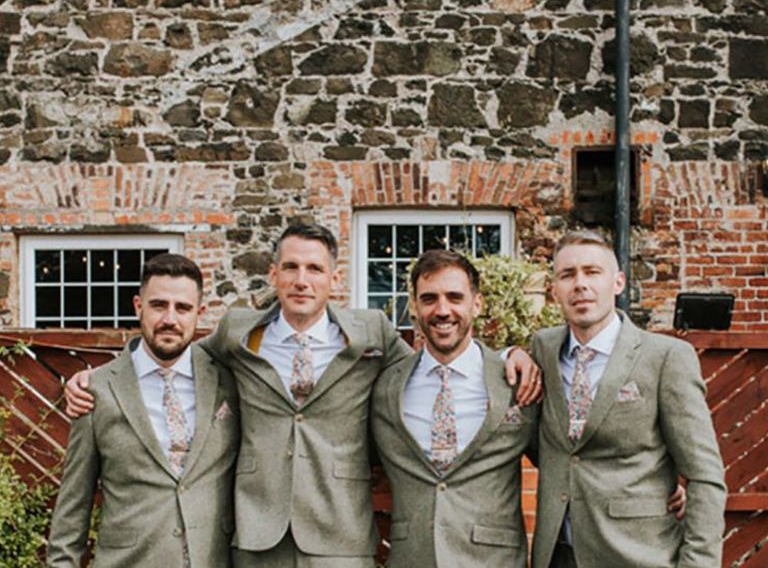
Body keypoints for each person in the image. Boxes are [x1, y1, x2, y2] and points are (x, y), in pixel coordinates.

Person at [64, 224, 542, 568]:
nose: (301, 279)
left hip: (340, 531)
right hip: (256, 531)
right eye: (290, 267)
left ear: (334, 279)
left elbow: (436, 358)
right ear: (273, 275)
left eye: (314, 268)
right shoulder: (236, 332)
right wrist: (97, 377)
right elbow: (173, 353)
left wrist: (509, 355)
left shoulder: (370, 333)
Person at [531, 230, 726, 568]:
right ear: (554, 291)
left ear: (618, 282)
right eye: (567, 275)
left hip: (639, 555)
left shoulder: (665, 358)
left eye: (593, 272)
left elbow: (706, 477)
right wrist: (509, 355)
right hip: (559, 556)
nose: (580, 284)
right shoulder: (542, 350)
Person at [47, 254, 239, 568]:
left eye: (183, 308)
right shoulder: (97, 390)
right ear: (139, 306)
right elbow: (73, 506)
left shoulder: (229, 381)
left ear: (200, 313)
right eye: (159, 305)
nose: (170, 319)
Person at [371, 249, 537, 568]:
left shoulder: (515, 383)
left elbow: (561, 461)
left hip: (494, 560)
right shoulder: (386, 387)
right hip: (412, 558)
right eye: (429, 298)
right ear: (415, 307)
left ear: (477, 303)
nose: (442, 310)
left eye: (455, 297)